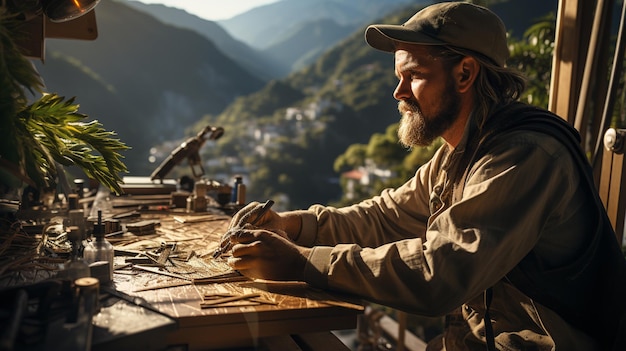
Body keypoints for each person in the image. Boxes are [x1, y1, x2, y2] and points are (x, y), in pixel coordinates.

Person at [219, 2, 626, 350]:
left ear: (465, 74)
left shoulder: (524, 157)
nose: (398, 92)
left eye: (413, 75)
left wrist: (304, 262)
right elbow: (384, 217)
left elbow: (440, 274)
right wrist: (294, 225)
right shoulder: (464, 151)